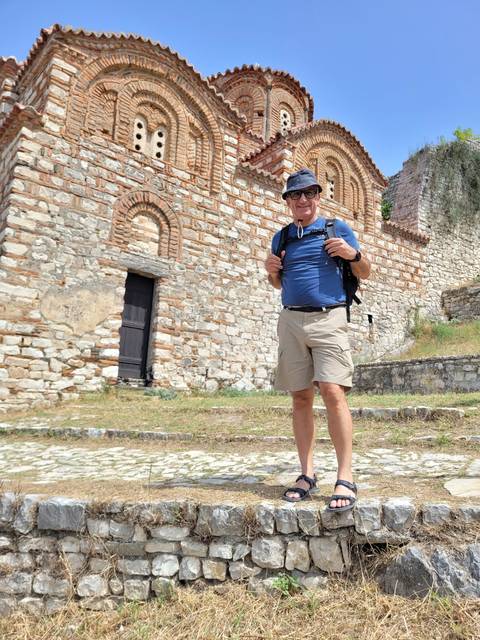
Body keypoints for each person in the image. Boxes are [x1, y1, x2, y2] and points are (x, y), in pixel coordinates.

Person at [264, 168, 371, 510]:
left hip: (329, 317)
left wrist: (352, 254)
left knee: (333, 391)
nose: (303, 200)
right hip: (292, 319)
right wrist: (270, 270)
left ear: (318, 197)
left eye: (309, 193)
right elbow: (279, 284)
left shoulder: (335, 228)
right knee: (299, 397)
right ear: (287, 202)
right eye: (295, 195)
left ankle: (345, 476)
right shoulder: (281, 238)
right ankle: (306, 474)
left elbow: (366, 271)